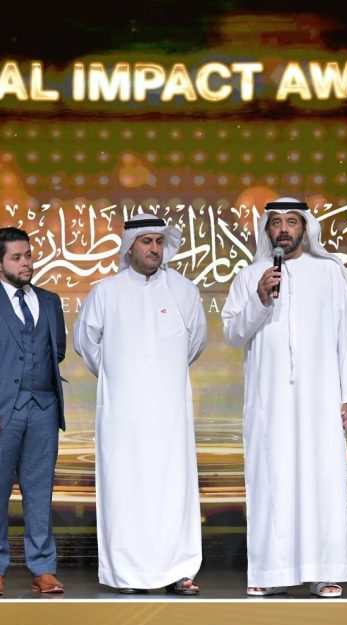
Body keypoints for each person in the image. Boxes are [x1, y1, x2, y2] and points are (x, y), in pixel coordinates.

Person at [221, 197, 347, 598]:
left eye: (292, 221)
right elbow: (233, 334)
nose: (284, 229)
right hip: (269, 400)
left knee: (322, 479)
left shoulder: (330, 272)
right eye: (276, 222)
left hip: (320, 397)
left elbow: (345, 333)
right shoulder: (250, 276)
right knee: (272, 478)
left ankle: (324, 570)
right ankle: (271, 571)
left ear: (306, 228)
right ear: (267, 230)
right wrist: (260, 299)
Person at [73, 213, 206, 594]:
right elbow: (85, 342)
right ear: (129, 247)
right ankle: (126, 574)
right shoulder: (106, 291)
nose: (154, 249)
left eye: (159, 242)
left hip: (170, 413)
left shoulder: (184, 290)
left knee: (173, 487)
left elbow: (195, 341)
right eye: (146, 242)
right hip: (123, 414)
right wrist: (118, 374)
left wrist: (163, 371)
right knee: (124, 488)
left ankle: (179, 570)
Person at [0, 227, 67, 596]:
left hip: (43, 409)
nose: (26, 263)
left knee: (40, 493)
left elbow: (57, 351)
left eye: (28, 255)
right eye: (17, 258)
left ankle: (43, 568)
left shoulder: (50, 301)